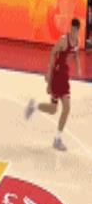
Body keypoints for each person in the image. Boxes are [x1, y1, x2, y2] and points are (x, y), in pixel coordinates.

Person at [25, 19, 81, 151]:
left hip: (64, 75)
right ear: (71, 28)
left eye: (75, 30)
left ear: (78, 30)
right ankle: (57, 139)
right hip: (57, 75)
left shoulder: (77, 41)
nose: (73, 32)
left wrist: (78, 66)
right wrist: (48, 75)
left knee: (54, 109)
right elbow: (52, 53)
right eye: (72, 29)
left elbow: (76, 54)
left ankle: (34, 106)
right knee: (62, 108)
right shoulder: (63, 40)